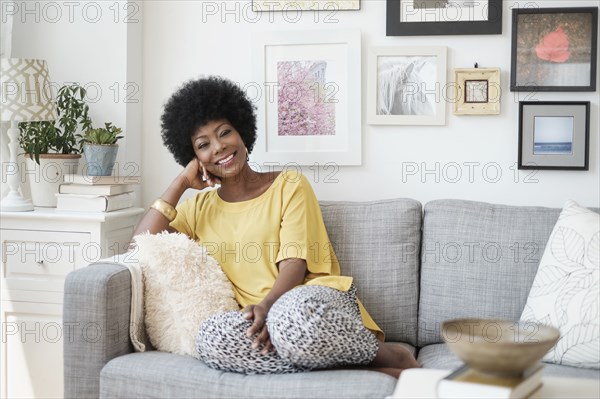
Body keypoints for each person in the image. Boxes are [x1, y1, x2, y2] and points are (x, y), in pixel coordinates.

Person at [133, 76, 419, 378]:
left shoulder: (289, 185)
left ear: (242, 132)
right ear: (194, 157)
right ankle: (352, 365)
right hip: (257, 320)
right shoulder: (197, 209)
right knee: (211, 337)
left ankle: (389, 355)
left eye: (225, 133)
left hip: (309, 301)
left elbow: (294, 263)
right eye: (204, 145)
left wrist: (268, 305)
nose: (218, 147)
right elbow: (140, 246)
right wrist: (180, 183)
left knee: (291, 321)